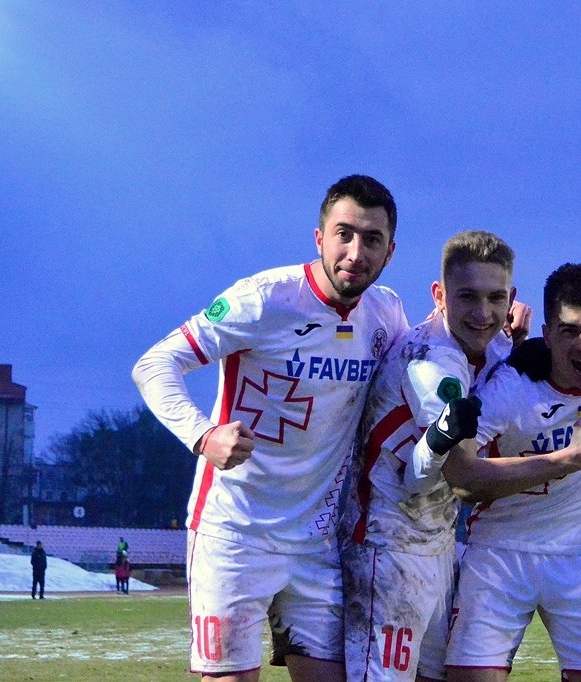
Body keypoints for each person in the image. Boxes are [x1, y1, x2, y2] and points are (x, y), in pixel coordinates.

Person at [132, 174, 408, 682]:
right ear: (319, 237)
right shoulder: (263, 299)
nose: (355, 252)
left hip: (316, 543)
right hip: (234, 533)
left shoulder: (386, 314)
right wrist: (202, 435)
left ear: (389, 252)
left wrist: (501, 336)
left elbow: (426, 369)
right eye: (344, 234)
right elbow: (155, 364)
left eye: (372, 239)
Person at [340, 230, 532, 681]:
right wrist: (442, 437)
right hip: (386, 548)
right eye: (467, 297)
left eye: (495, 298)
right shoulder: (432, 362)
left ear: (511, 299)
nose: (482, 313)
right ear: (439, 296)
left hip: (440, 546)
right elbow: (428, 479)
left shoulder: (495, 346)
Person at [443, 263, 581, 681]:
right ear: (547, 335)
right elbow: (462, 479)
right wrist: (572, 458)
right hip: (499, 554)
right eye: (569, 331)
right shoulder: (510, 387)